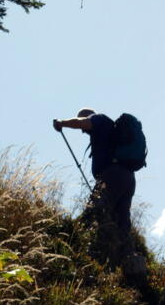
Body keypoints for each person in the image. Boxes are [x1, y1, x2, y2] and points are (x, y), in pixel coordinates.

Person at [53, 108, 137, 264]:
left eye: (84, 130)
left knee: (94, 212)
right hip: (128, 177)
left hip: (113, 176)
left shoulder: (98, 119)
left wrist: (61, 123)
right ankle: (127, 258)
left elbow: (82, 123)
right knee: (120, 218)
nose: (84, 132)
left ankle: (82, 251)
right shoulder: (109, 128)